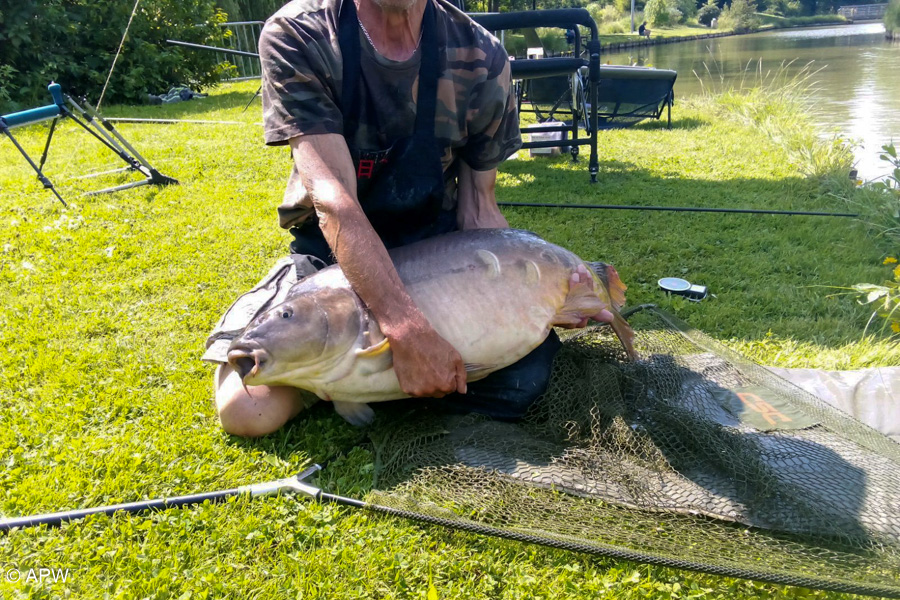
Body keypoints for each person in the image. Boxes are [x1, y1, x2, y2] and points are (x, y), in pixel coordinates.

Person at [204, 0, 568, 437]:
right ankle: (347, 368)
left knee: (522, 383)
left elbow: (478, 209)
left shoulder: (482, 54)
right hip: (332, 254)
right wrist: (405, 330)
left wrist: (524, 291)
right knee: (247, 411)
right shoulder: (300, 33)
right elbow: (334, 201)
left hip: (437, 252)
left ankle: (359, 379)